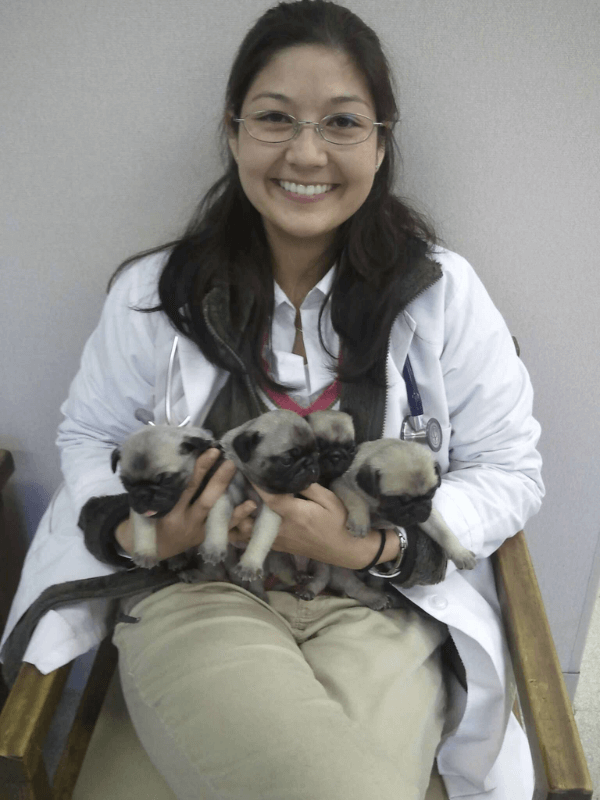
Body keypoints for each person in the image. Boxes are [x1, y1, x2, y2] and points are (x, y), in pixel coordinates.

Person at [0, 1, 543, 798]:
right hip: (202, 589)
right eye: (275, 118)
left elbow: (510, 468)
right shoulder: (154, 294)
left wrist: (372, 550)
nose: (306, 152)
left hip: (375, 604)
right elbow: (89, 436)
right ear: (234, 131)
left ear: (382, 140)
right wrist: (137, 524)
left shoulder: (441, 294)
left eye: (343, 122)